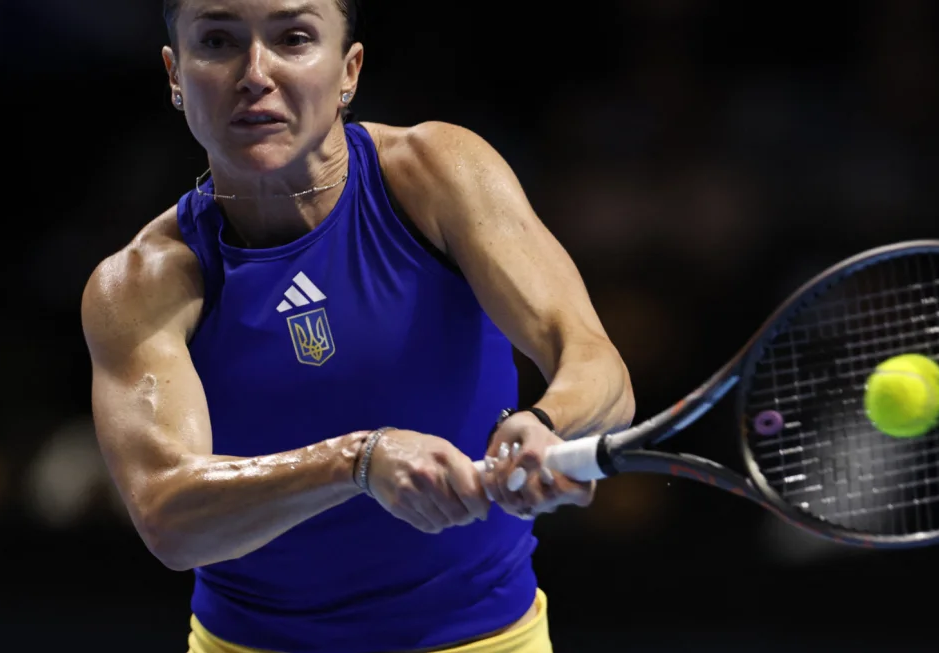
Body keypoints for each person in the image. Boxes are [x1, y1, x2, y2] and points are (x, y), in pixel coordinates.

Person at [79, 1, 636, 651]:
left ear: (349, 70)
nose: (254, 72)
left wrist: (546, 425)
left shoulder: (437, 173)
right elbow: (169, 516)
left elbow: (597, 365)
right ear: (176, 75)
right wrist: (357, 460)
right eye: (218, 41)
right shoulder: (141, 283)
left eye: (292, 38)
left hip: (489, 637)